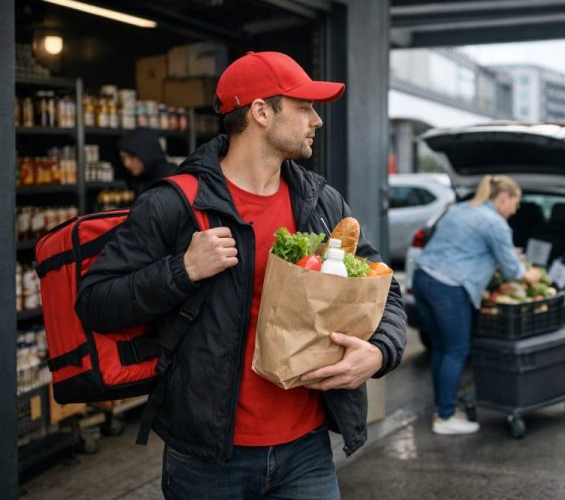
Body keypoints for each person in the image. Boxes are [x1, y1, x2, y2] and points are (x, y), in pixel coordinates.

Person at [76, 51, 407, 499]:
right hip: (210, 462)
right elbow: (95, 301)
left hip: (306, 452)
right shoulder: (173, 204)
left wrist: (379, 353)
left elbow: (385, 290)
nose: (318, 120)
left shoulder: (320, 201)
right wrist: (182, 270)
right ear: (261, 112)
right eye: (305, 107)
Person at [412, 175, 541, 435]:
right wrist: (530, 275)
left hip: (422, 279)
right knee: (457, 350)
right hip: (449, 287)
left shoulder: (460, 209)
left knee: (441, 347)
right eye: (515, 203)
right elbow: (511, 270)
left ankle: (442, 408)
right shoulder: (495, 223)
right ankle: (446, 417)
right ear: (503, 198)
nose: (515, 210)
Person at [116, 128, 176, 196]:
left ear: (147, 154)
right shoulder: (138, 178)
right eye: (123, 158)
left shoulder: (172, 179)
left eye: (132, 157)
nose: (126, 164)